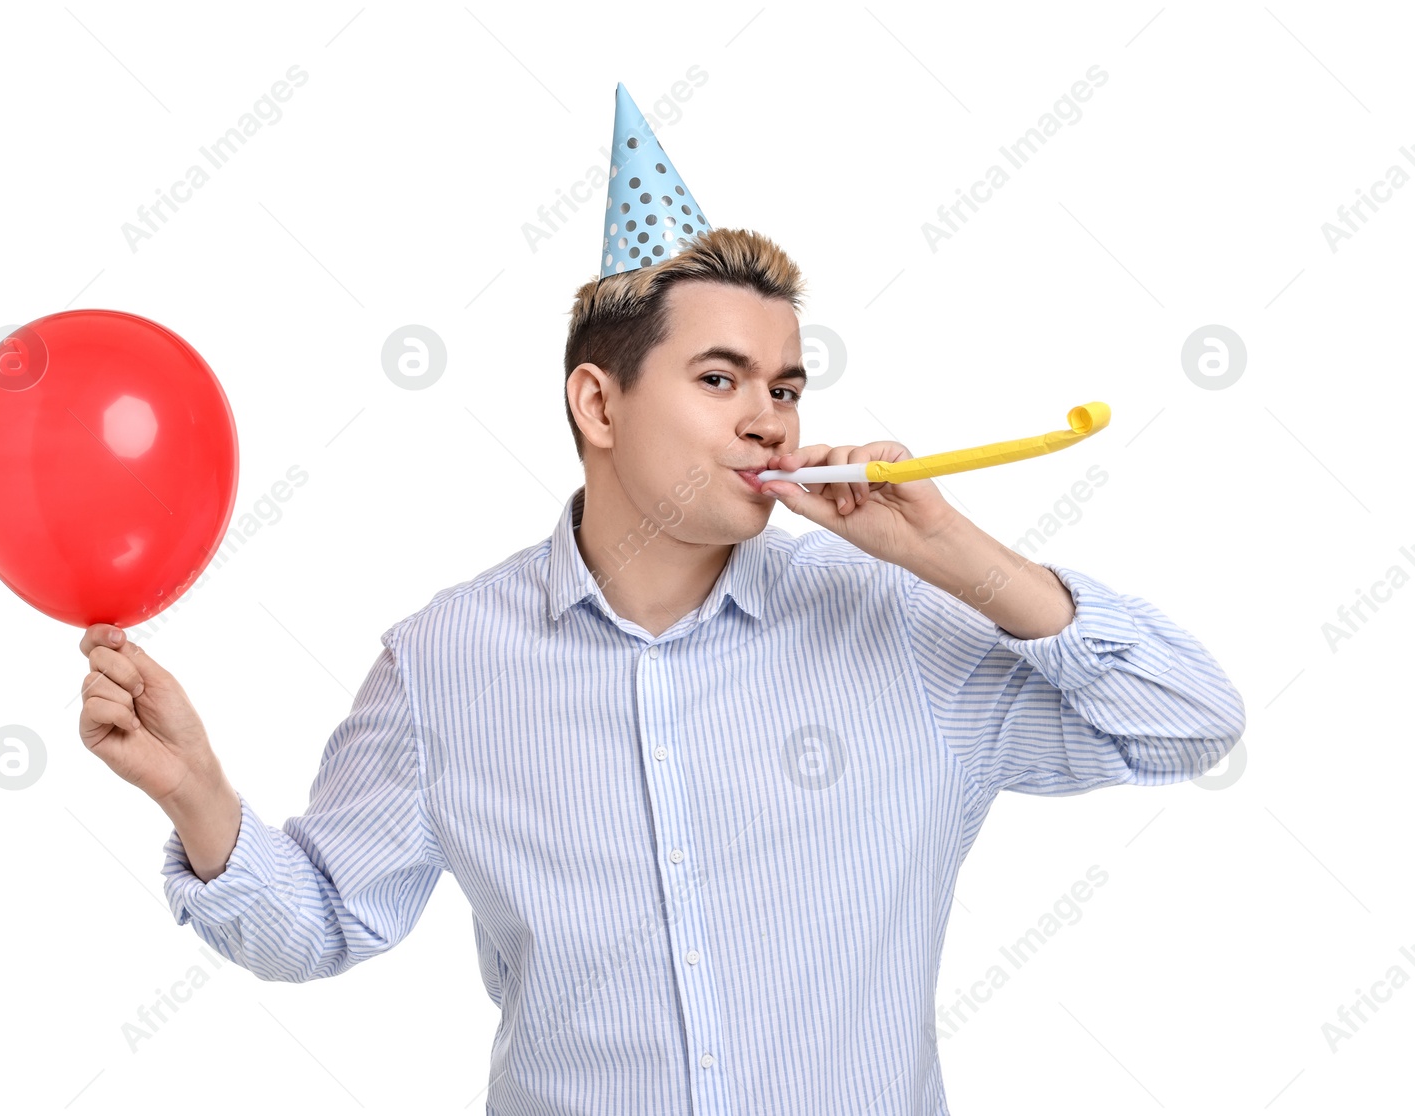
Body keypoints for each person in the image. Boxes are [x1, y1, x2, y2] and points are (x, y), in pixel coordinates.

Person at [75, 89, 1245, 1116]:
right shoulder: (445, 663)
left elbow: (1191, 720)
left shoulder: (902, 633)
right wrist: (197, 793)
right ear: (598, 403)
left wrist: (955, 554)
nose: (770, 419)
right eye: (720, 378)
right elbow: (325, 923)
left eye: (786, 385)